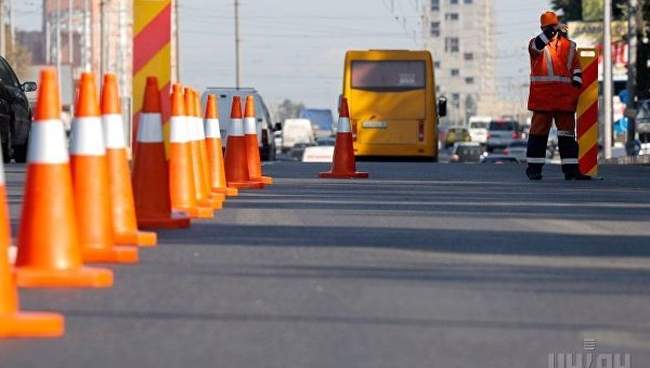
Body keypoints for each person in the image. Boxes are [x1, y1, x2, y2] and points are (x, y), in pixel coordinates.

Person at [526, 11, 591, 180]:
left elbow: (576, 66)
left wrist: (576, 81)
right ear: (543, 28)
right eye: (549, 28)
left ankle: (571, 170)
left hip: (564, 99)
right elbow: (537, 45)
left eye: (553, 27)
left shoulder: (569, 46)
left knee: (567, 136)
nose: (552, 30)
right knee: (538, 135)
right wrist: (550, 32)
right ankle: (534, 169)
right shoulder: (536, 44)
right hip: (544, 99)